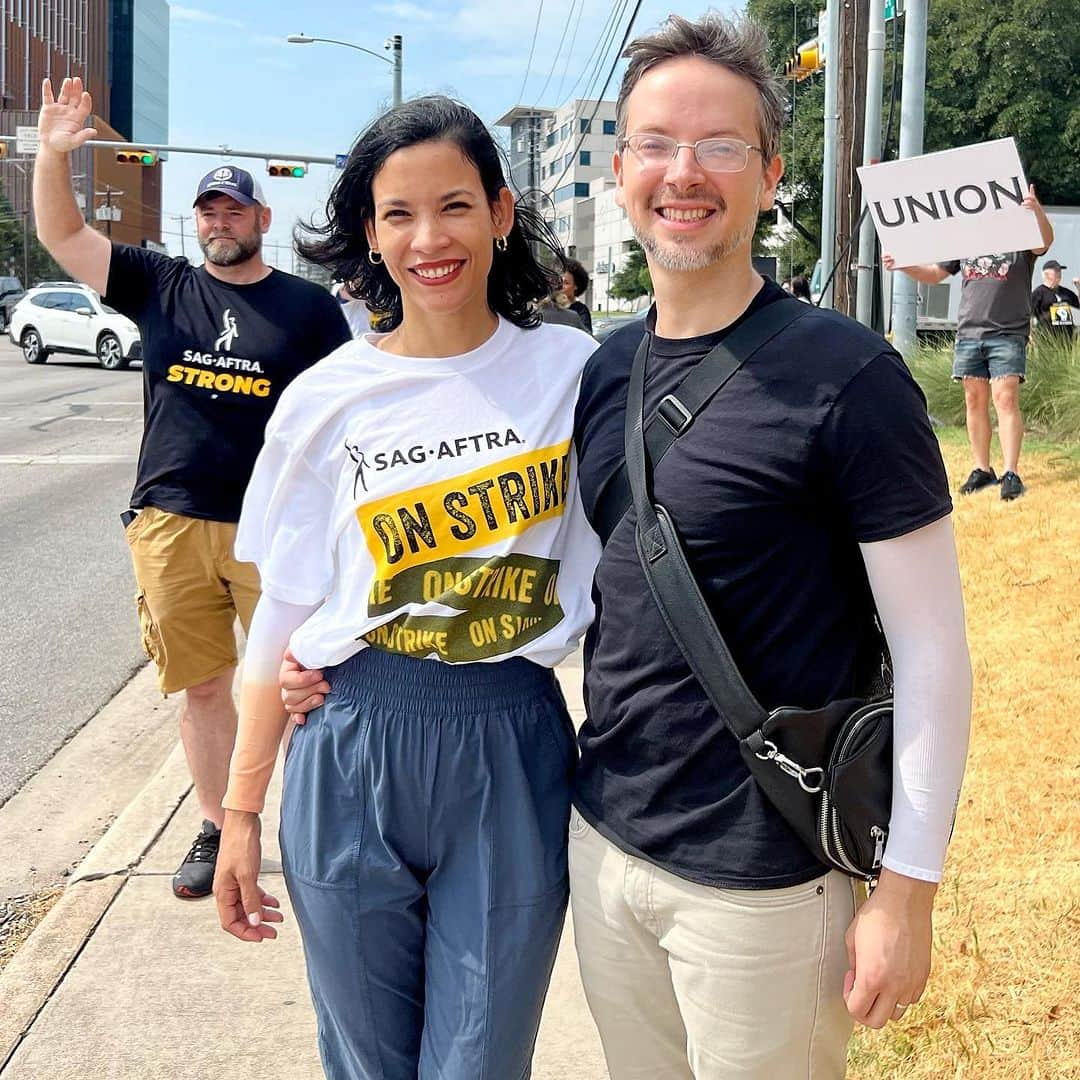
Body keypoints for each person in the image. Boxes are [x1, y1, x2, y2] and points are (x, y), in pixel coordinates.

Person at [281, 14, 973, 1079]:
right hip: (605, 845)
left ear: (769, 172)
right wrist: (334, 649)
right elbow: (513, 540)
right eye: (656, 143)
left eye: (720, 146)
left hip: (768, 878)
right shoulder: (599, 371)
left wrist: (910, 890)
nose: (684, 172)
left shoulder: (850, 377)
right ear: (621, 169)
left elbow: (935, 657)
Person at [212, 96, 600, 1080]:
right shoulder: (327, 400)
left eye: (455, 206)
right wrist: (241, 813)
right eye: (398, 214)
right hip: (353, 741)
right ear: (372, 236)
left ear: (502, 213)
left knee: (477, 1063)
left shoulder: (576, 373)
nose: (430, 238)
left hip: (510, 738)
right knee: (367, 1063)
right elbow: (282, 616)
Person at [32, 76, 351, 900]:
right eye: (208, 211)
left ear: (261, 221)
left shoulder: (308, 311)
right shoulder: (159, 283)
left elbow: (341, 425)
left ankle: (318, 820)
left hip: (273, 529)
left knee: (303, 684)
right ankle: (215, 826)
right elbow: (62, 234)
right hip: (172, 523)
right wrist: (55, 154)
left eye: (234, 211)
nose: (219, 222)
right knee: (205, 686)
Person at [884, 191, 1053, 502]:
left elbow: (1044, 242)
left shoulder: (1021, 239)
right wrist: (903, 266)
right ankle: (982, 468)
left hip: (1008, 332)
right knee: (974, 401)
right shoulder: (968, 241)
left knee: (1005, 399)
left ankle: (1011, 471)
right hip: (969, 333)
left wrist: (1037, 211)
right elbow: (935, 275)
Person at [1031, 258, 1078, 342]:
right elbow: (1028, 315)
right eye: (1056, 271)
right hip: (1046, 338)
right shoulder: (1038, 293)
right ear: (1046, 274)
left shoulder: (1066, 292)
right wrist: (1030, 335)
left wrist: (1078, 287)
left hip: (1067, 339)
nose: (1059, 273)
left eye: (1060, 270)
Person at [560, 256, 594, 333]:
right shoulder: (549, 308)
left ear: (576, 286)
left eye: (566, 283)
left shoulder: (581, 311)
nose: (560, 286)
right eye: (559, 281)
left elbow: (587, 338)